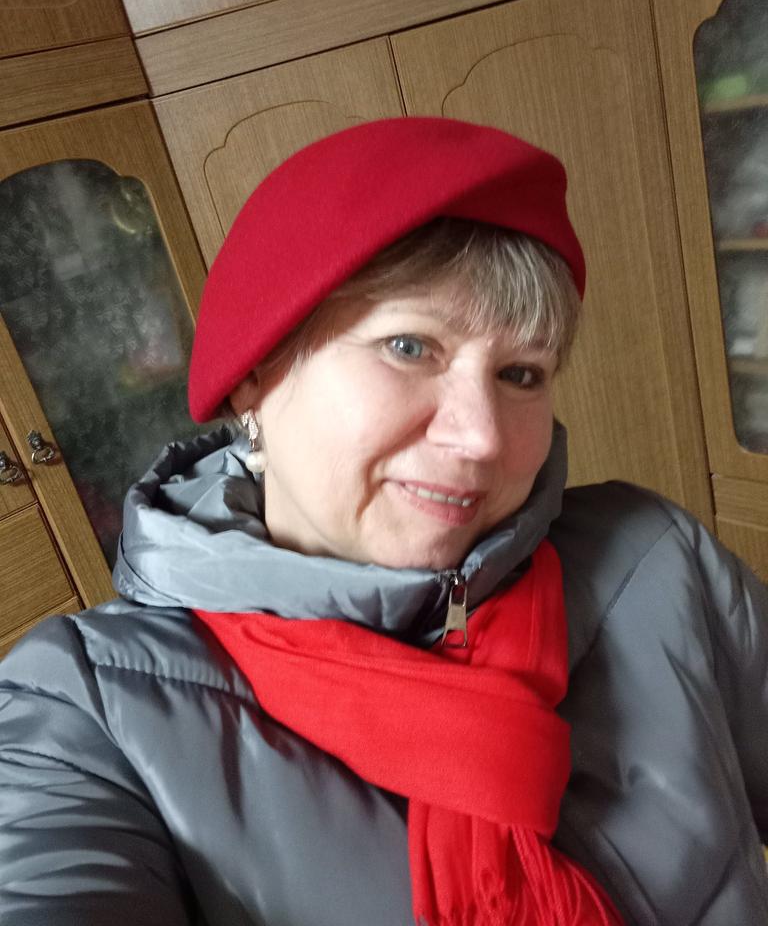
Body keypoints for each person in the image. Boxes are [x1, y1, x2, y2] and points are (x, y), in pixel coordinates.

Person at [0, 117, 766, 926]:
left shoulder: (655, 560)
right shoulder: (87, 709)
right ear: (254, 375)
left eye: (521, 373)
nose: (481, 437)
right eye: (409, 346)